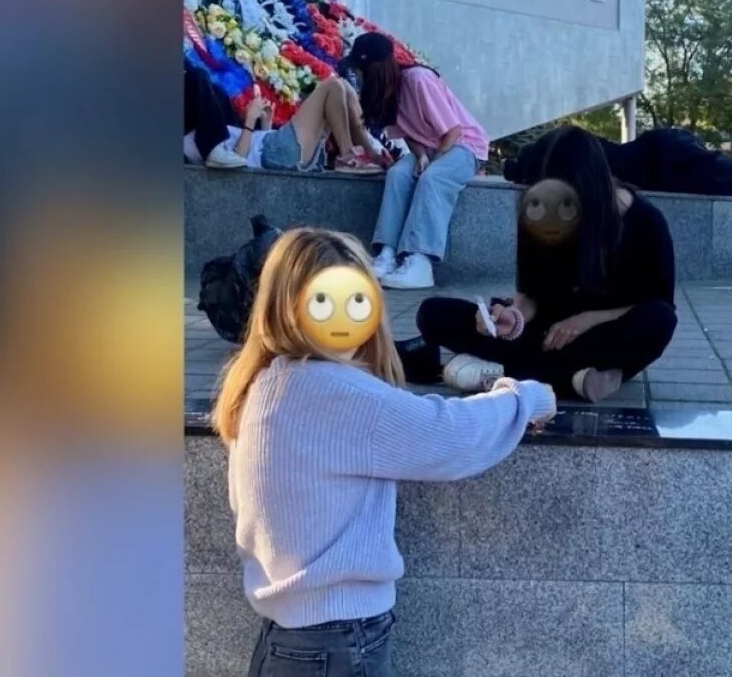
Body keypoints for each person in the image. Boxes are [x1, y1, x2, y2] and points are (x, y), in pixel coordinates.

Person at [211, 227, 557, 677]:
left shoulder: (262, 383)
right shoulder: (331, 392)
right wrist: (524, 397)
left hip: (286, 642)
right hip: (335, 645)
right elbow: (446, 434)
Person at [414, 125, 678, 403]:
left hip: (602, 337)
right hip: (544, 334)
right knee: (432, 313)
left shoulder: (647, 223)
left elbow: (659, 303)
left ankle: (510, 372)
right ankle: (572, 379)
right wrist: (513, 317)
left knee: (658, 321)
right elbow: (533, 294)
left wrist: (587, 320)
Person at [344, 32, 490, 290]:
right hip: (432, 149)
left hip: (464, 146)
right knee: (398, 174)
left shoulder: (419, 80)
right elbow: (409, 134)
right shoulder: (388, 95)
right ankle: (387, 254)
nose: (359, 75)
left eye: (363, 69)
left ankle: (420, 262)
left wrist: (433, 163)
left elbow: (453, 131)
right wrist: (421, 156)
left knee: (433, 179)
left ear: (377, 69)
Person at [504, 125, 732, 200]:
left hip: (660, 156)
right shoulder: (561, 147)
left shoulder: (560, 154)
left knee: (716, 180)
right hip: (660, 152)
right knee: (718, 176)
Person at [183, 62, 387, 174]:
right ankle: (348, 156)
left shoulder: (210, 125)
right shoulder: (199, 141)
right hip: (275, 152)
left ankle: (371, 153)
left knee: (345, 87)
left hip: (273, 147)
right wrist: (250, 121)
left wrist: (265, 122)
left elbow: (247, 147)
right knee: (333, 86)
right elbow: (239, 158)